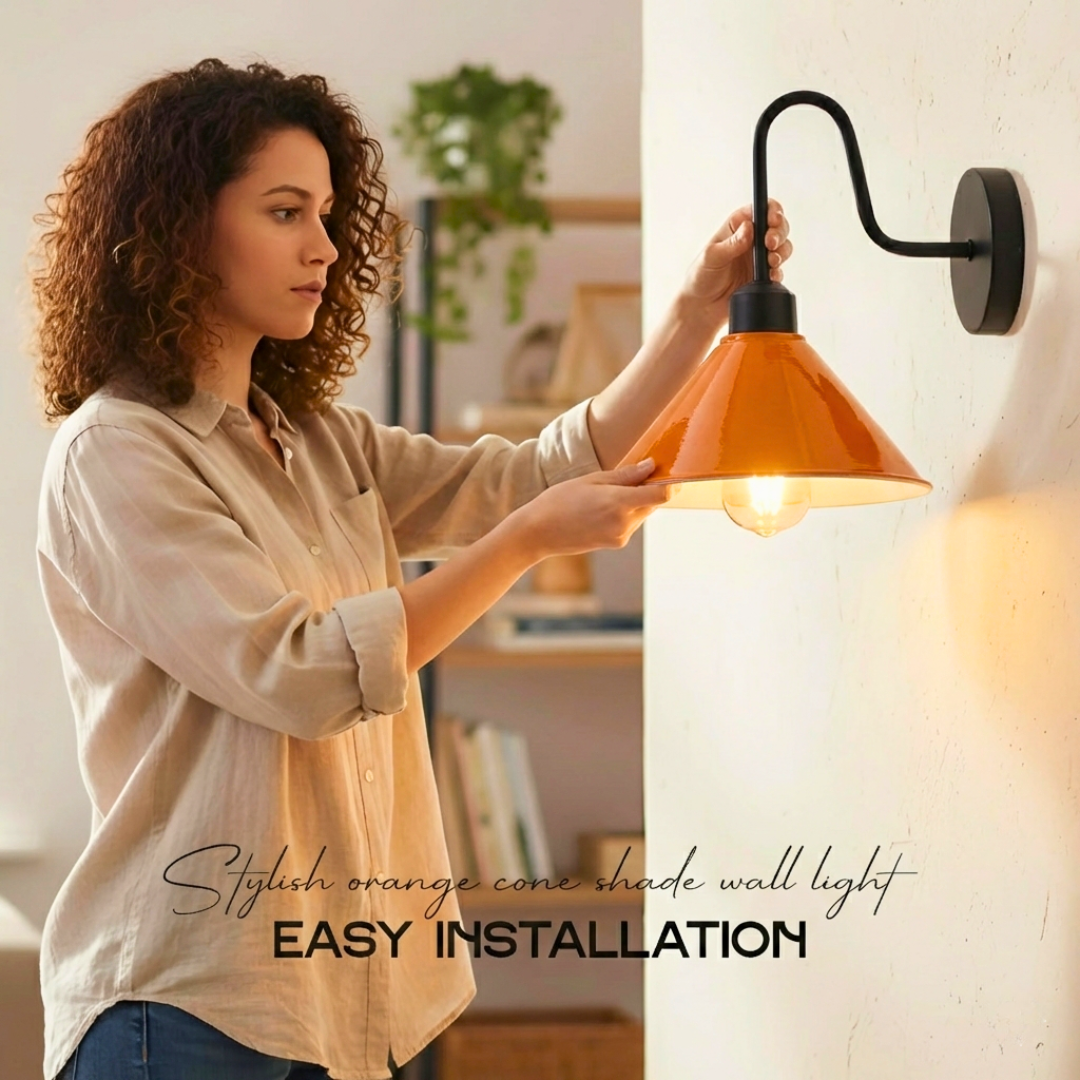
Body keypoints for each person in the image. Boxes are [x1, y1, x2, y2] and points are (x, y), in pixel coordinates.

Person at [27, 58, 791, 1080]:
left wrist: (697, 315)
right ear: (178, 229)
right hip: (186, 1006)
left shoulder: (319, 441)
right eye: (286, 212)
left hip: (337, 993)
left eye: (326, 214)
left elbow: (536, 475)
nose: (325, 247)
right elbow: (302, 674)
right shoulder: (117, 451)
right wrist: (524, 544)